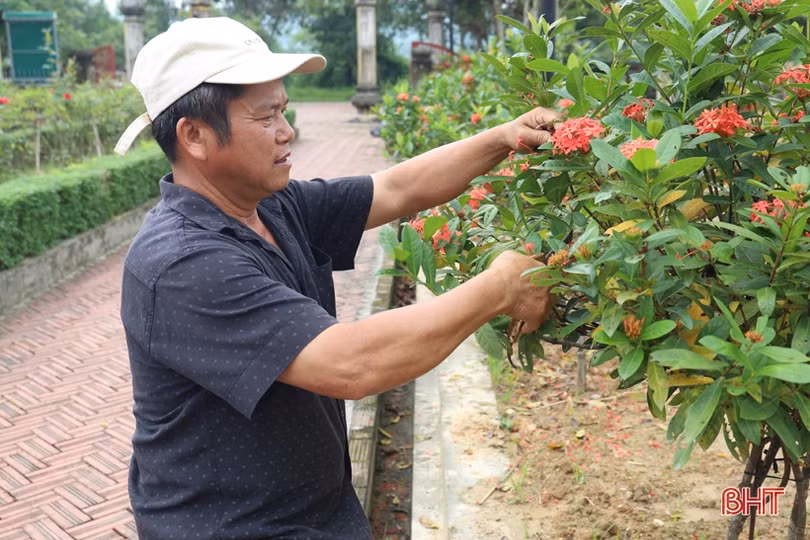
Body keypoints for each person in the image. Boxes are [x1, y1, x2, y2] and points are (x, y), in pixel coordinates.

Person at [115, 16, 559, 540]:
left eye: (284, 110)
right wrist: (500, 287)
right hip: (235, 527)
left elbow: (395, 189)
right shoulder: (182, 263)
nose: (286, 131)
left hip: (315, 512)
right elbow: (352, 363)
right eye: (266, 116)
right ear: (194, 136)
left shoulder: (270, 206)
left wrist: (503, 138)